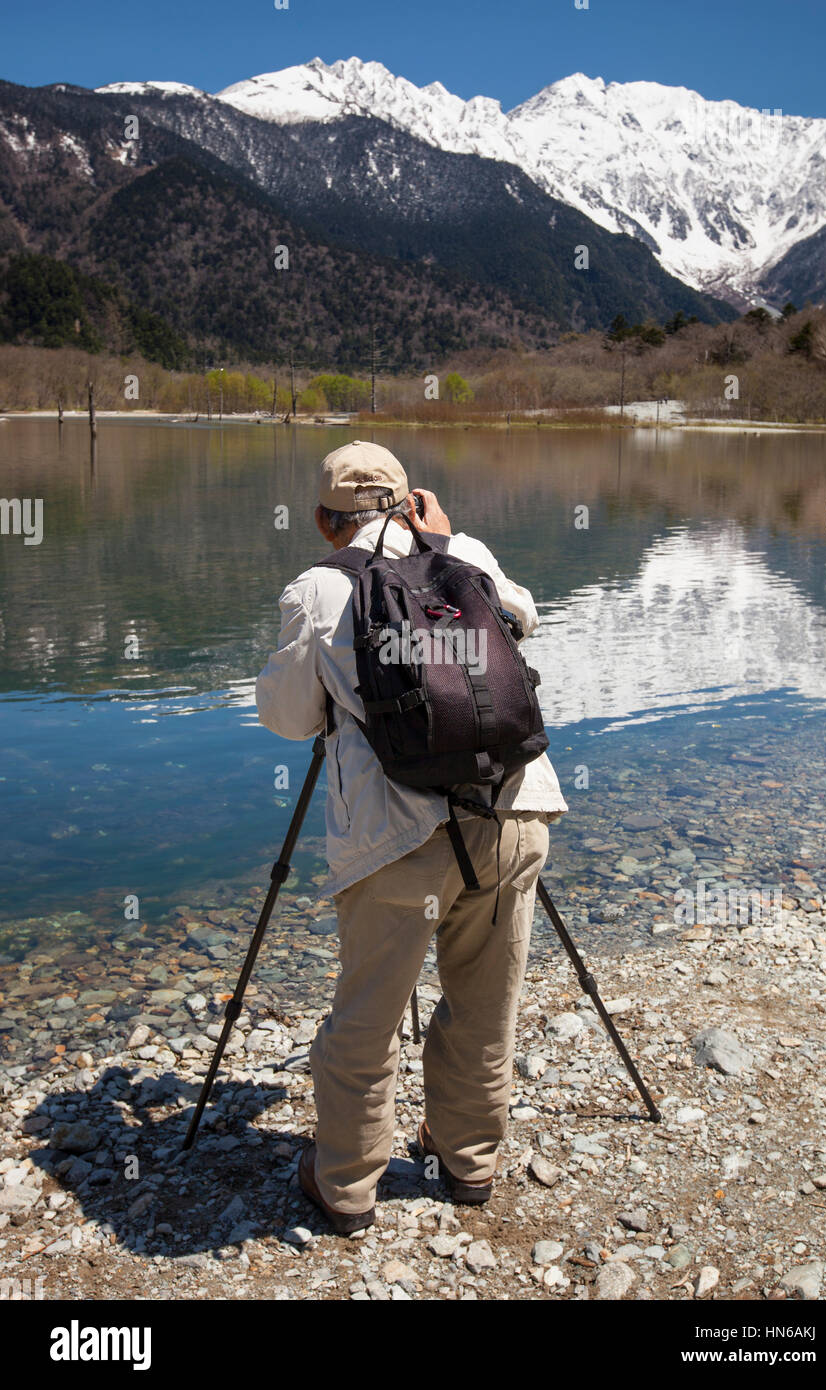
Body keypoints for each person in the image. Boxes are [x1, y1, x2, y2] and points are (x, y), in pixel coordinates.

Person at [255, 439, 567, 1233]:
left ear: (327, 522)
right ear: (409, 500)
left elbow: (290, 720)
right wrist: (450, 542)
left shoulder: (320, 586)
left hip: (396, 841)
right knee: (485, 1007)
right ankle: (468, 1165)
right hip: (513, 812)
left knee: (366, 1016)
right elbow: (524, 620)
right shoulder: (465, 552)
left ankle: (348, 1187)